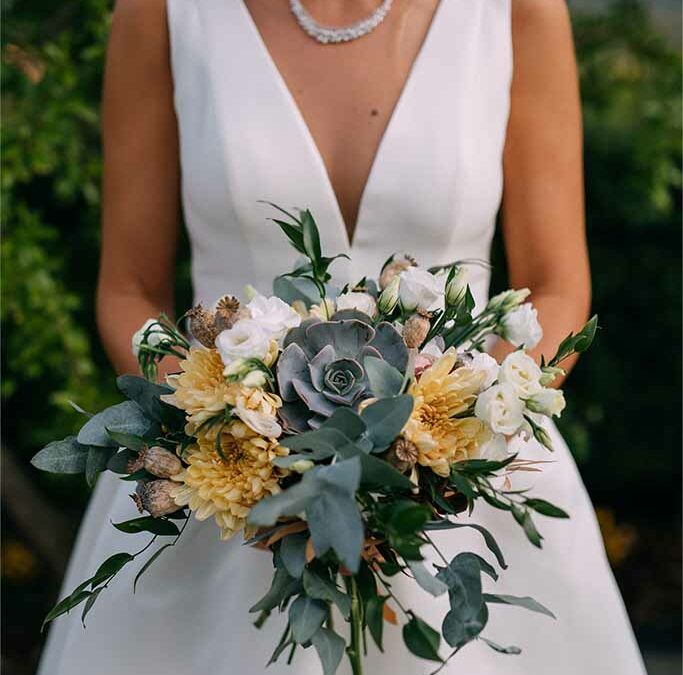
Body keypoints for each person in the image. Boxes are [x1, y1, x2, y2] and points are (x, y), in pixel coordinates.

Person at [38, 1, 648, 673]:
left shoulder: (516, 10)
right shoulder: (162, 10)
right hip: (219, 501)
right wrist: (227, 436)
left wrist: (450, 439)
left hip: (465, 490)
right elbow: (128, 290)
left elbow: (556, 286)